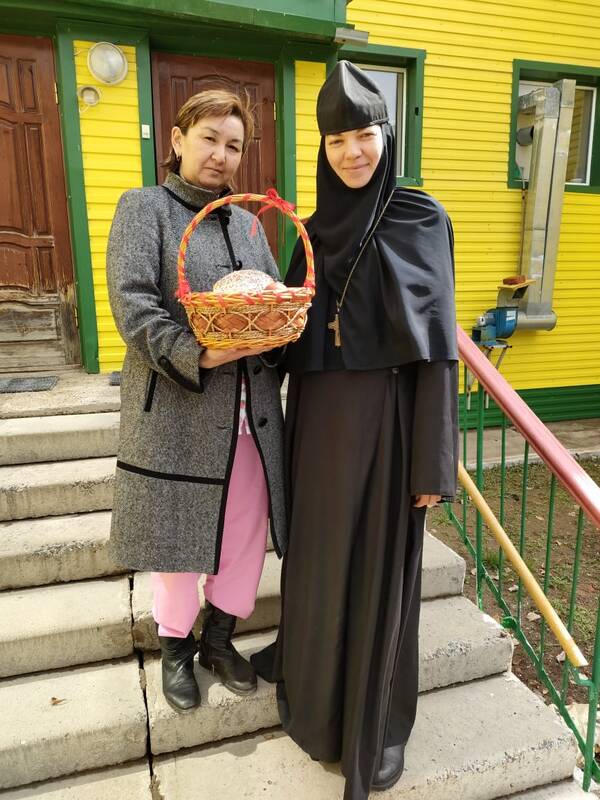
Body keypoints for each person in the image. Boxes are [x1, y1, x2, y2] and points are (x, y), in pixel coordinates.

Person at [251, 62, 459, 799]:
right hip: (315, 429)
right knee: (317, 569)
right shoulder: (308, 232)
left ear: (386, 136)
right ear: (322, 148)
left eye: (363, 135)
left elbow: (438, 348)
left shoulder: (421, 217)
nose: (352, 152)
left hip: (389, 430)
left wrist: (433, 462)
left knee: (374, 577)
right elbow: (284, 340)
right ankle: (315, 708)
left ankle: (372, 729)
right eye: (336, 140)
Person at [106, 89, 287, 713]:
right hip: (178, 413)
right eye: (209, 138)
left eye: (234, 145)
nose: (220, 154)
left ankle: (218, 639)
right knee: (179, 539)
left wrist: (278, 332)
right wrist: (197, 353)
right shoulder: (144, 209)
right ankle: (176, 648)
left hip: (252, 416)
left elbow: (270, 300)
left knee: (243, 533)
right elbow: (133, 305)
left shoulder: (248, 223)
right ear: (178, 139)